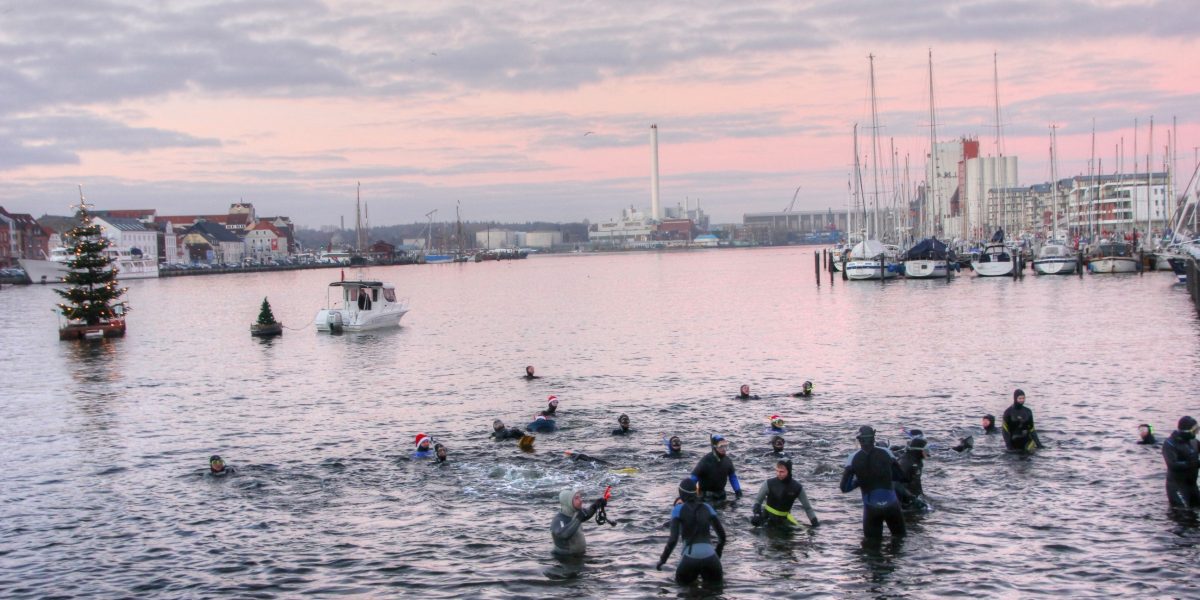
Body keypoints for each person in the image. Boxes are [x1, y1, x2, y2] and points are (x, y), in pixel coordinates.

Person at [840, 426, 906, 538]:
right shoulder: (887, 453)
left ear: (859, 440)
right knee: (900, 540)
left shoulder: (853, 458)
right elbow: (901, 477)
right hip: (891, 505)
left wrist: (859, 481)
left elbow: (844, 488)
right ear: (874, 438)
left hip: (871, 508)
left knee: (872, 548)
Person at [657, 478, 727, 584]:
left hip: (689, 558)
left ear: (681, 494)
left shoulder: (678, 510)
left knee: (684, 591)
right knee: (715, 593)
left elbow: (673, 540)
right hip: (711, 557)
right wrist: (717, 553)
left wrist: (662, 560)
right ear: (696, 493)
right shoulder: (708, 508)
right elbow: (722, 536)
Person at [751, 459, 819, 528]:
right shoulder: (768, 483)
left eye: (781, 472)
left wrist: (815, 524)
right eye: (777, 471)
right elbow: (758, 501)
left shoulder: (797, 487)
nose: (778, 474)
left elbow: (808, 508)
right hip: (767, 518)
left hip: (784, 520)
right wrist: (757, 514)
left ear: (789, 471)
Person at [550, 488, 607, 557]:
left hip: (579, 556)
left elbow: (586, 514)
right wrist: (578, 519)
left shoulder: (576, 514)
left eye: (580, 497)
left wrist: (596, 505)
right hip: (565, 560)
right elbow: (563, 534)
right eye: (576, 498)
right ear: (567, 502)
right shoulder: (558, 520)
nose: (580, 500)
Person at [690, 434, 742, 503]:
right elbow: (693, 478)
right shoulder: (705, 461)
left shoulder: (727, 461)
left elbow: (733, 477)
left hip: (721, 496)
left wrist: (738, 491)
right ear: (714, 447)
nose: (724, 449)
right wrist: (690, 495)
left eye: (725, 446)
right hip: (705, 498)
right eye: (721, 446)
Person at [1163, 416, 1200, 510]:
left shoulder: (1194, 441)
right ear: (1186, 431)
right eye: (1194, 430)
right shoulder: (1170, 444)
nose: (1197, 432)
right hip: (1177, 487)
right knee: (1183, 516)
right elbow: (1172, 464)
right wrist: (1193, 464)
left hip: (1192, 485)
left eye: (1197, 429)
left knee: (1196, 513)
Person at [895, 438, 928, 512]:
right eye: (926, 449)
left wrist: (922, 496)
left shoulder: (918, 462)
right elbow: (896, 484)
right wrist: (912, 499)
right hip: (903, 502)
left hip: (913, 499)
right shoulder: (905, 463)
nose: (928, 452)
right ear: (919, 450)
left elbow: (917, 482)